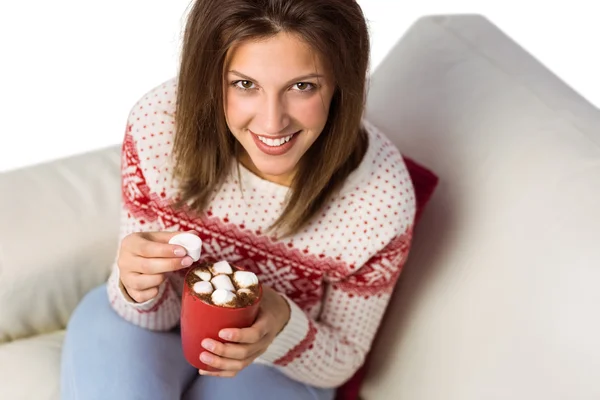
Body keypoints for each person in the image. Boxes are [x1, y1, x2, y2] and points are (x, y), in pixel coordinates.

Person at [60, 0, 416, 399]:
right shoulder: (159, 125)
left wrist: (281, 323)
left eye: (303, 86)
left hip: (276, 367)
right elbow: (142, 317)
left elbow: (341, 360)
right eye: (244, 84)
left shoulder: (379, 200)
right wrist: (137, 288)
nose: (271, 122)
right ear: (211, 77)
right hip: (144, 327)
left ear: (340, 84)